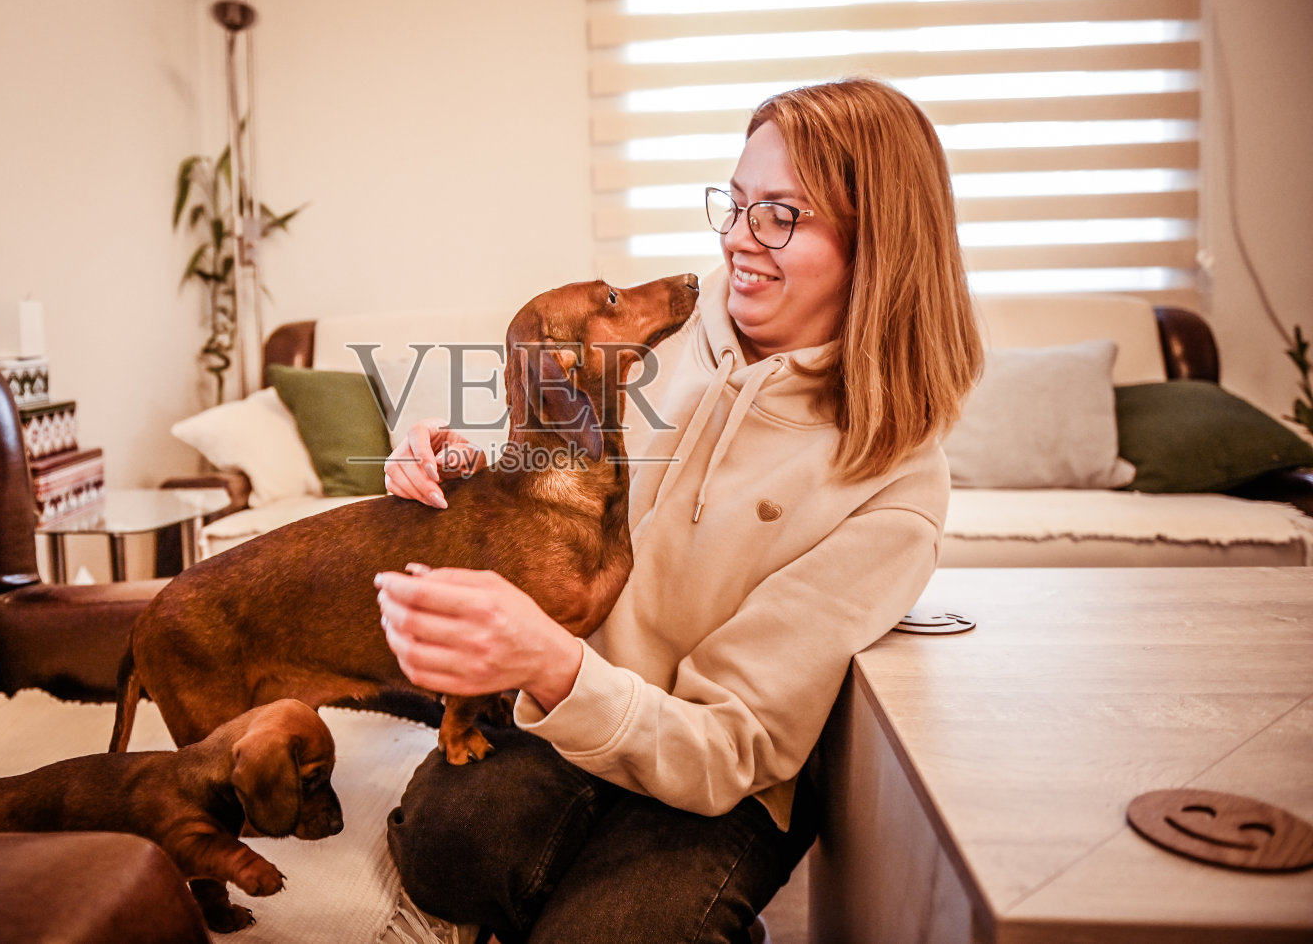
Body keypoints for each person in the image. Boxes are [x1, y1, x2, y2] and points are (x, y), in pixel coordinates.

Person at [373, 77, 983, 944]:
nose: (737, 240)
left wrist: (554, 665)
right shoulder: (667, 327)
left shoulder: (898, 482)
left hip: (719, 773)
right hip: (571, 702)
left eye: (780, 216)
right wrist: (463, 470)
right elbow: (557, 475)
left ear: (878, 246)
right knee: (446, 850)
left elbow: (734, 741)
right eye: (734, 205)